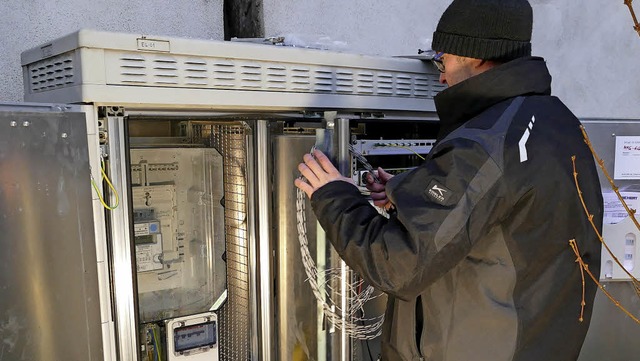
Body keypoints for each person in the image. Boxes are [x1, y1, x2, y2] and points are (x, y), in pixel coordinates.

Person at [295, 0, 603, 360]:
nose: (440, 75)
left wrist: (334, 196)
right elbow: (504, 214)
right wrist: (409, 193)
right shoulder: (559, 123)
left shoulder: (485, 143)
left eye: (444, 59)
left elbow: (397, 266)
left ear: (477, 56)